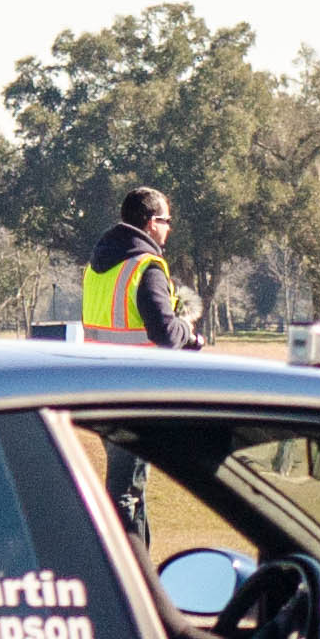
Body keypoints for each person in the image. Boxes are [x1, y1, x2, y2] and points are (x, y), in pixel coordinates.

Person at [76, 181, 206, 543]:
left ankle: (136, 574)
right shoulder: (146, 266)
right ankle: (127, 577)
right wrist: (190, 333)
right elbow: (166, 332)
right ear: (151, 222)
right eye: (166, 220)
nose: (169, 228)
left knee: (126, 487)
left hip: (102, 391)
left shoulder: (97, 266)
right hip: (136, 393)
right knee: (127, 493)